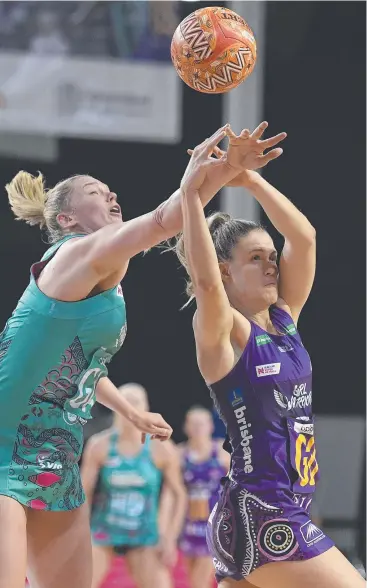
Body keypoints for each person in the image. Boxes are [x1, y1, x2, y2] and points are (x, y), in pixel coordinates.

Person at [0, 121, 286, 588]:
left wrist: (129, 411)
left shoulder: (106, 289)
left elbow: (80, 367)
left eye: (113, 192)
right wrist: (215, 171)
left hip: (55, 458)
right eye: (97, 192)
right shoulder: (73, 256)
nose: (112, 197)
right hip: (4, 447)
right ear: (67, 220)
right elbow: (165, 218)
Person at [171, 123, 365, 588]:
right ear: (225, 271)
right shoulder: (223, 329)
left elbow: (306, 238)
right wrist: (190, 196)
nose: (272, 262)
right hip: (266, 514)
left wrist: (250, 179)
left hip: (267, 512)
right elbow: (203, 284)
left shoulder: (284, 319)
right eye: (255, 258)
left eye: (270, 255)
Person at [81, 383, 186, 588]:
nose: (130, 405)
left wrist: (170, 536)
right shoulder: (99, 445)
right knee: (80, 582)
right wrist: (79, 534)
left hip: (144, 534)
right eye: (125, 400)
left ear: (146, 407)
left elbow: (177, 494)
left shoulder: (161, 448)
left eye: (135, 401)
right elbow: (84, 492)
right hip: (104, 531)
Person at [178, 406, 230, 588]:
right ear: (186, 427)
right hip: (189, 524)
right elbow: (173, 491)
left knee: (200, 580)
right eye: (194, 424)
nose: (198, 428)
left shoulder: (223, 455)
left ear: (210, 426)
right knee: (193, 578)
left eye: (202, 424)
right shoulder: (179, 454)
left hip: (214, 525)